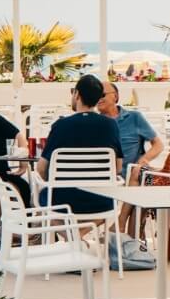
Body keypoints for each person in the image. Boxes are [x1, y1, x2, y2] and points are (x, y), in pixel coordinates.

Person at [37, 74, 123, 216]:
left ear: (77, 94)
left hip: (62, 204)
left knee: (40, 197)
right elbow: (118, 167)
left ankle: (71, 231)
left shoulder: (60, 126)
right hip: (102, 203)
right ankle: (82, 230)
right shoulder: (111, 125)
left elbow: (41, 169)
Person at [97, 81, 165, 180]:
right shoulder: (94, 123)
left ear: (115, 96)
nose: (98, 99)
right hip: (105, 179)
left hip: (134, 177)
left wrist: (143, 161)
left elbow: (158, 145)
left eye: (102, 95)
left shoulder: (134, 117)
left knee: (152, 178)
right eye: (95, 96)